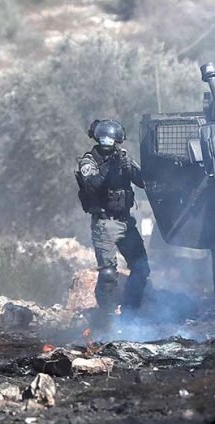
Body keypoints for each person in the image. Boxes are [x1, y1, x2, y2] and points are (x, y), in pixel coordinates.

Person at [75, 119, 150, 331]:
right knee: (108, 273)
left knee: (141, 268)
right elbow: (92, 185)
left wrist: (128, 167)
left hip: (125, 221)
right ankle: (107, 320)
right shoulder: (89, 161)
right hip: (104, 222)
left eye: (112, 140)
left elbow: (142, 181)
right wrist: (110, 168)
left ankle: (130, 316)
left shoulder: (122, 156)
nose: (108, 143)